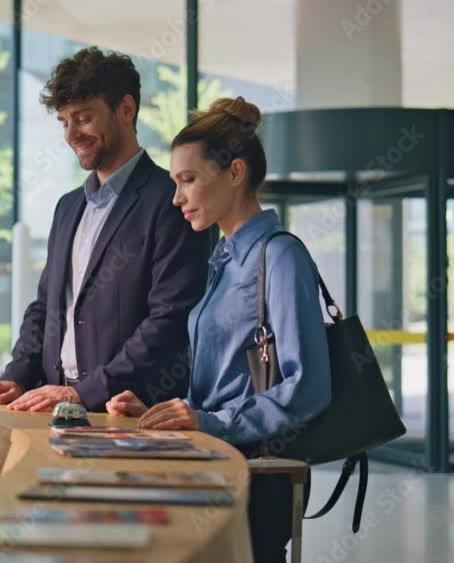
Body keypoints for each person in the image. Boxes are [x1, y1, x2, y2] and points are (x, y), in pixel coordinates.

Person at [106, 97, 332, 563]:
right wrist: (163, 414)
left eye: (188, 180)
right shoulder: (223, 261)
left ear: (235, 173)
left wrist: (209, 422)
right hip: (214, 468)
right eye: (175, 182)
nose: (177, 197)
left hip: (256, 477)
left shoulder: (280, 257)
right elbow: (225, 382)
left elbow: (308, 386)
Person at [0, 47, 208, 413]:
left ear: (126, 109)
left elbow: (170, 320)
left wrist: (86, 393)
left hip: (129, 413)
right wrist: (17, 377)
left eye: (83, 118)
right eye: (64, 122)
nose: (71, 134)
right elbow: (45, 307)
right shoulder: (68, 207)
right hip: (54, 406)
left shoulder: (172, 202)